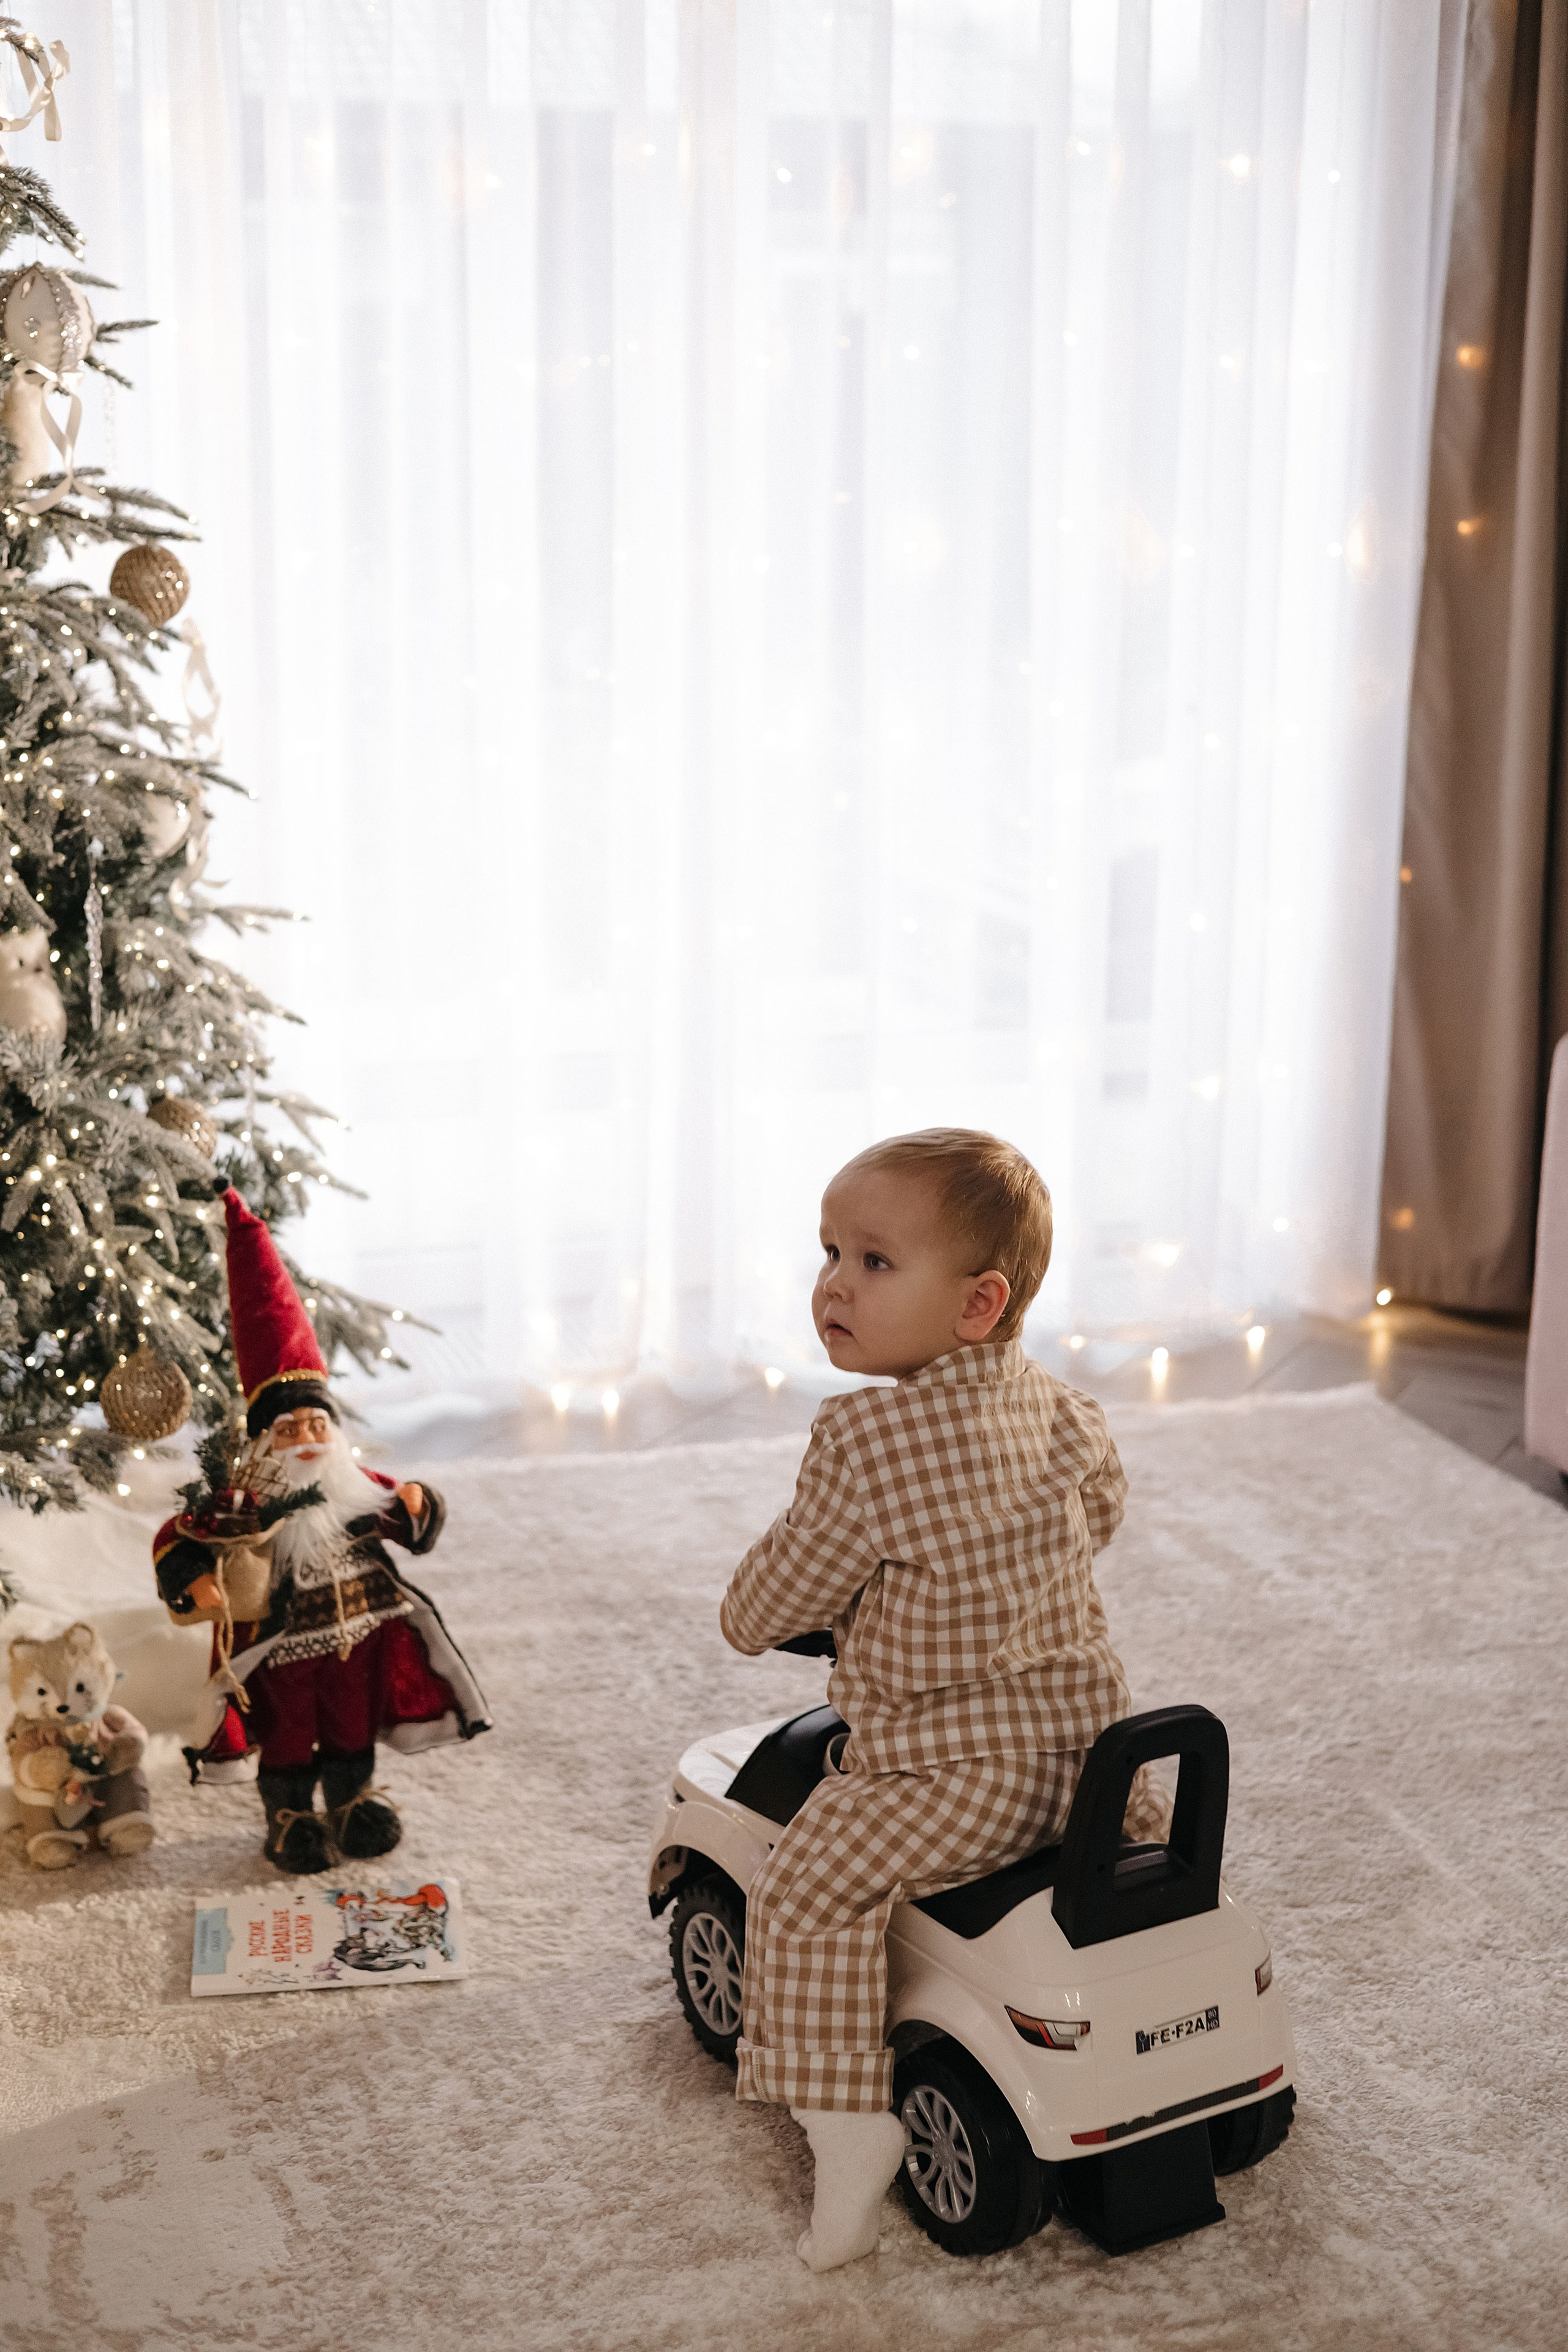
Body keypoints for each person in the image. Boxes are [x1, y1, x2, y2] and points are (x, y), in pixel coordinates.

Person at [719, 1128, 1167, 2271]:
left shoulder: (866, 1441)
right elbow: (1101, 1519)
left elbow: (778, 1595)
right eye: (828, 1251)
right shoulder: (1066, 1412)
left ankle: (849, 2132)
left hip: (953, 1782)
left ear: (978, 1304)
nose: (832, 1283)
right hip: (1094, 1761)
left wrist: (748, 1617)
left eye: (874, 1262)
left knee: (804, 1889)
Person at [152, 1185, 490, 1872]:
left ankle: (352, 1800)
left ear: (334, 1433)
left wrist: (423, 1501)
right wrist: (195, 1580)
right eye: (290, 1428)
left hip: (360, 1634)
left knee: (348, 1722)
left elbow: (405, 1515)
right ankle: (288, 1815)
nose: (307, 1437)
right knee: (287, 1730)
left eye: (317, 1425)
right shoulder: (243, 1500)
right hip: (278, 1648)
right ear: (266, 1440)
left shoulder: (355, 1488)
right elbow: (180, 1535)